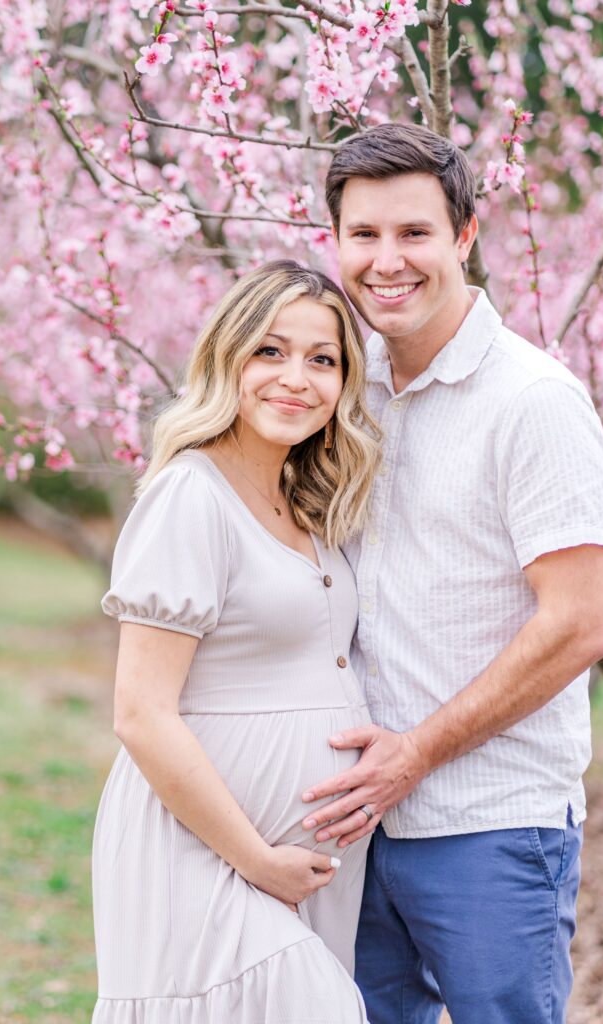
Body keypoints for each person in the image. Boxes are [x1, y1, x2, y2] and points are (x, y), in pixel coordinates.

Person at [298, 124, 603, 1024]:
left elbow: (580, 623)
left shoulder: (532, 402)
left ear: (465, 237)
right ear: (334, 244)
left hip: (490, 822)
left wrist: (417, 755)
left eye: (414, 234)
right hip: (353, 826)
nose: (385, 261)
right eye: (362, 236)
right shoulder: (342, 392)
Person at [91, 260, 381, 1023]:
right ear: (228, 358)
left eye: (323, 360)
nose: (296, 378)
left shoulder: (304, 502)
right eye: (270, 351)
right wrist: (257, 861)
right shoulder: (191, 494)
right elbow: (140, 713)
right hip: (204, 854)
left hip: (300, 865)